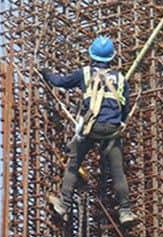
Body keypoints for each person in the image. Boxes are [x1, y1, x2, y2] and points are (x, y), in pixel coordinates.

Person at [42, 36, 138, 225]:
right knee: (118, 171)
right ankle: (125, 211)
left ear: (91, 55)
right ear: (111, 58)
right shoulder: (120, 79)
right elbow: (125, 107)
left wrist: (46, 73)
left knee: (73, 163)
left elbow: (60, 82)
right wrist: (120, 124)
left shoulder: (84, 74)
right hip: (111, 130)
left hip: (90, 128)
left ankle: (64, 204)